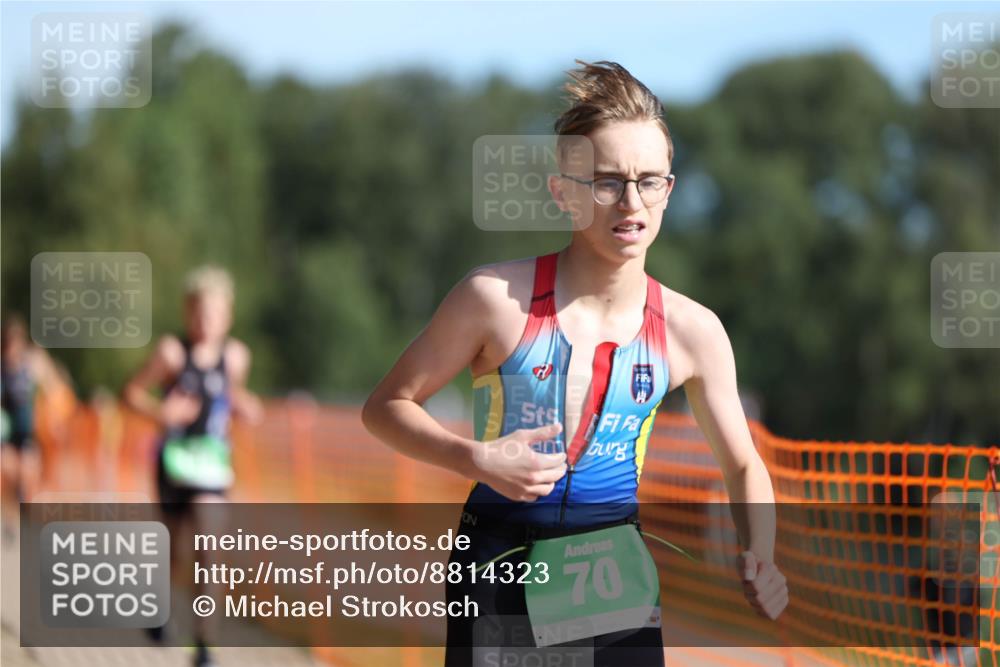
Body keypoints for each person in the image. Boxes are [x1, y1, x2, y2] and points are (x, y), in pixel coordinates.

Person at [363, 60, 788, 666]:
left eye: (649, 180)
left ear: (670, 190)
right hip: (499, 562)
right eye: (607, 181)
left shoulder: (695, 332)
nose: (630, 201)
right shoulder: (493, 300)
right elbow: (385, 408)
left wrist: (761, 555)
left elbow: (744, 463)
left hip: (614, 571)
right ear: (563, 191)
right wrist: (475, 457)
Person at [123, 265, 262, 667]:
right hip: (173, 465)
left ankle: (204, 645)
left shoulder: (236, 357)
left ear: (228, 317)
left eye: (215, 315)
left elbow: (227, 397)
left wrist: (244, 405)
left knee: (209, 550)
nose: (206, 323)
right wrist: (160, 413)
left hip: (213, 469)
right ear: (188, 313)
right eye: (199, 314)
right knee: (174, 552)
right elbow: (130, 392)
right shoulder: (171, 353)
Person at [1, 313, 68, 540]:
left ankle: (25, 515)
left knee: (27, 475)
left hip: (28, 430)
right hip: (6, 433)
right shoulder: (2, 368)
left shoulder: (31, 365)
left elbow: (53, 387)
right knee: (8, 470)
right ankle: (10, 518)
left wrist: (55, 418)